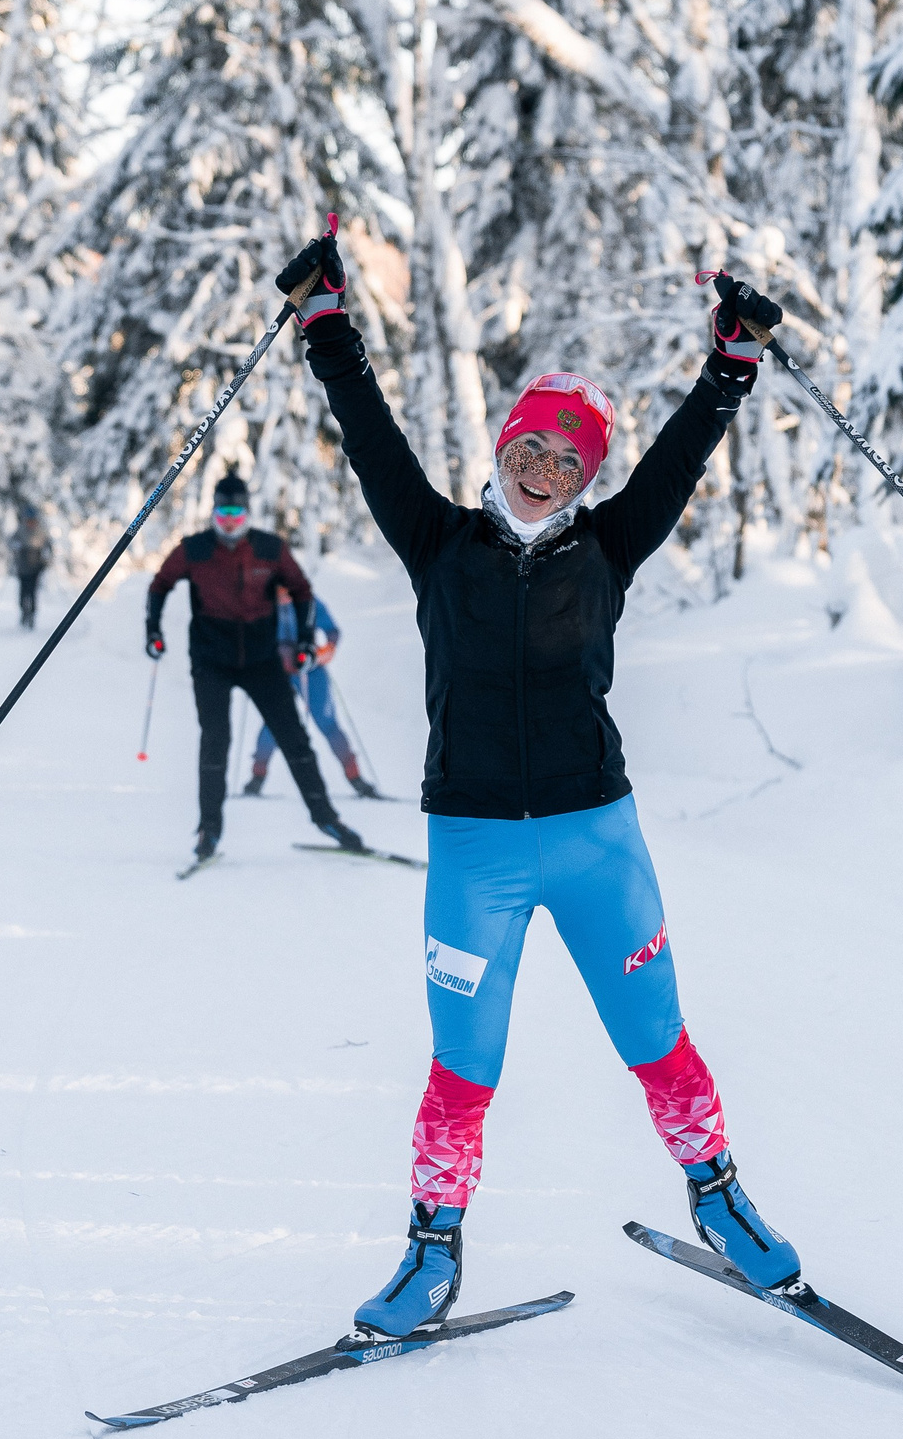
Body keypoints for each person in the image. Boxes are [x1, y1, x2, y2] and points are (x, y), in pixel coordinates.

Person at [272, 226, 799, 1339]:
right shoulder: (438, 542)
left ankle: (719, 1198)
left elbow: (679, 460)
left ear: (585, 473)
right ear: (505, 444)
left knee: (657, 1035)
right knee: (463, 1065)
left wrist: (731, 362)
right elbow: (369, 440)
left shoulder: (606, 548)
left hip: (596, 835)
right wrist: (328, 324)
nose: (547, 466)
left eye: (570, 457)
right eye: (534, 446)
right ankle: (428, 1252)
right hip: (474, 849)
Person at [145, 472, 364, 863]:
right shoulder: (194, 550)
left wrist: (304, 642)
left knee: (295, 739)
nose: (229, 519)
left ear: (247, 513)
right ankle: (208, 829)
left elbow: (302, 592)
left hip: (261, 660)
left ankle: (327, 819)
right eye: (223, 511)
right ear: (213, 513)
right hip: (211, 659)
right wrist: (153, 630)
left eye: (237, 511)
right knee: (216, 740)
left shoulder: (269, 548)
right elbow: (160, 585)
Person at [245, 597, 382, 800]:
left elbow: (332, 632)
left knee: (327, 722)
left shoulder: (308, 601)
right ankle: (257, 777)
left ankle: (356, 778)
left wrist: (323, 652)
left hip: (311, 670)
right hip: (278, 671)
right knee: (274, 723)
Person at [8, 506, 52, 630]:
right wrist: (17, 546)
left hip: (36, 567)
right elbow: (11, 542)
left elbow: (49, 546)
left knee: (32, 592)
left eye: (33, 520)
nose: (31, 523)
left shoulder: (41, 531)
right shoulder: (20, 531)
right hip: (22, 566)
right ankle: (23, 612)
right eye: (29, 520)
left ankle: (32, 614)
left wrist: (46, 557)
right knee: (23, 592)